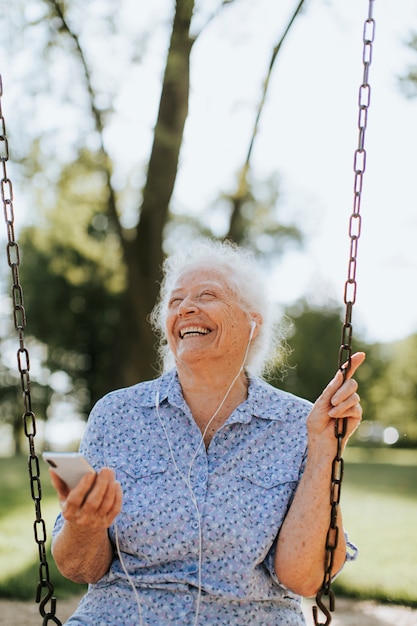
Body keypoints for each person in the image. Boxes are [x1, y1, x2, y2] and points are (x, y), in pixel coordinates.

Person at [49, 239, 365, 626]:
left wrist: (324, 451)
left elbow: (304, 577)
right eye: (175, 301)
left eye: (207, 295)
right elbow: (81, 569)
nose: (185, 309)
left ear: (253, 322)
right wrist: (85, 524)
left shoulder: (301, 423)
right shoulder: (117, 415)